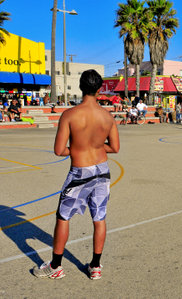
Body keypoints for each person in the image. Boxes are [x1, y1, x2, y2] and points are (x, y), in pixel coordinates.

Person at [32, 69, 120, 280]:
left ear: (81, 87)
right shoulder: (107, 117)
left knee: (63, 217)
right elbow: (115, 148)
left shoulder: (70, 115)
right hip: (102, 171)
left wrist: (79, 148)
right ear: (99, 90)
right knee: (99, 218)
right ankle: (95, 266)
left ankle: (56, 266)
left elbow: (59, 150)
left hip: (80, 172)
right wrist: (97, 147)